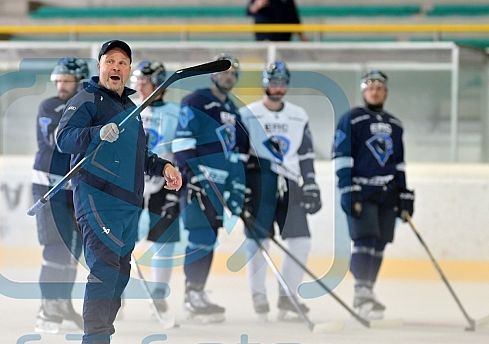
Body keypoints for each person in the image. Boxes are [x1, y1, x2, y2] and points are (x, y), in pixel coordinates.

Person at [55, 40, 182, 344]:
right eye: (110, 60)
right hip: (97, 199)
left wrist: (163, 165)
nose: (116, 67)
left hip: (127, 202)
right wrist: (96, 133)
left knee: (119, 275)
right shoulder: (86, 100)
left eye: (123, 62)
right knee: (104, 271)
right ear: (99, 66)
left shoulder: (131, 107)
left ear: (128, 70)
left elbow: (138, 154)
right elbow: (63, 139)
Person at [239, 61, 321, 322]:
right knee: (257, 241)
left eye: (282, 82)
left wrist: (311, 184)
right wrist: (241, 189)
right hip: (259, 184)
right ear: (265, 82)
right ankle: (258, 294)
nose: (277, 86)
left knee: (301, 241)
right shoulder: (248, 114)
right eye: (273, 81)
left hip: (291, 184)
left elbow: (305, 153)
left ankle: (288, 298)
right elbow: (239, 154)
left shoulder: (298, 114)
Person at [173, 54, 250, 324]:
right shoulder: (195, 101)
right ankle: (191, 296)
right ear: (213, 75)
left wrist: (237, 187)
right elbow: (182, 141)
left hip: (219, 188)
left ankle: (198, 292)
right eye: (224, 72)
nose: (229, 76)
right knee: (199, 237)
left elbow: (239, 151)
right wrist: (191, 174)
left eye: (233, 73)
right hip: (197, 185)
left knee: (209, 240)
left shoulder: (234, 110)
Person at [333, 70, 414, 320]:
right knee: (365, 239)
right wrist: (346, 187)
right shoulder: (352, 119)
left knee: (380, 242)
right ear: (363, 91)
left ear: (385, 92)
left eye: (379, 88)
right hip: (361, 189)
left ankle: (368, 288)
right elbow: (341, 155)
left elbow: (398, 163)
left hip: (387, 193)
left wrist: (404, 193)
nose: (375, 91)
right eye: (370, 87)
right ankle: (361, 291)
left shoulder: (395, 125)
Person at [32, 58, 89, 334]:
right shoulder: (49, 107)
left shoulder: (90, 108)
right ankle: (47, 306)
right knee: (55, 247)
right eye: (59, 80)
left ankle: (62, 302)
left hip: (75, 188)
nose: (61, 85)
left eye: (67, 80)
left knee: (72, 250)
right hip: (49, 188)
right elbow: (59, 140)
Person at [130, 60, 181, 314]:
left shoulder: (176, 112)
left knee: (165, 240)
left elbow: (182, 150)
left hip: (165, 183)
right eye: (138, 80)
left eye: (145, 81)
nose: (140, 86)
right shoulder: (128, 108)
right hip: (131, 183)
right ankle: (116, 296)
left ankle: (158, 297)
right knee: (122, 241)